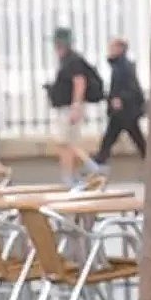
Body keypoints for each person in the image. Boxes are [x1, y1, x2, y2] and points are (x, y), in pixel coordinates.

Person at [45, 27, 101, 185]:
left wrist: (76, 106)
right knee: (66, 143)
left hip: (69, 108)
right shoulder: (68, 60)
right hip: (67, 107)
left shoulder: (72, 60)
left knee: (65, 144)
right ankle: (87, 167)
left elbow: (79, 82)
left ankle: (72, 175)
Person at [93, 38, 147, 166]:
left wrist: (119, 99)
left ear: (120, 49)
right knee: (112, 138)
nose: (109, 50)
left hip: (125, 111)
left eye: (112, 47)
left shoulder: (124, 66)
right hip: (122, 111)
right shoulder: (119, 65)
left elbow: (132, 88)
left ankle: (100, 161)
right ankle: (100, 160)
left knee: (133, 138)